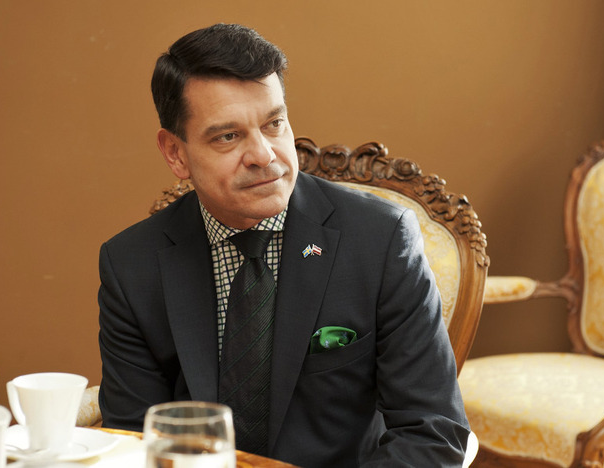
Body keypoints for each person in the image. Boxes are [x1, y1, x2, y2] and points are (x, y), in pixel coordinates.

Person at [98, 23, 470, 467]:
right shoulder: (132, 265)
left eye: (274, 124)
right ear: (176, 153)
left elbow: (433, 432)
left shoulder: (380, 241)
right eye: (228, 136)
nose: (264, 155)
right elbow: (133, 440)